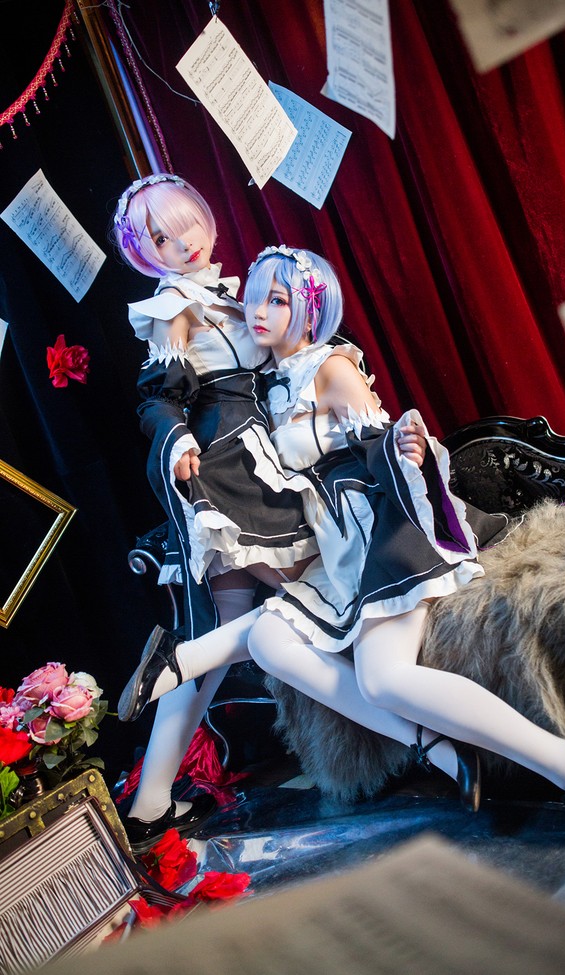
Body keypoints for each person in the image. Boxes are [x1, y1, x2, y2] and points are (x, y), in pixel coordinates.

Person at [118, 245, 565, 871]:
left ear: (311, 310)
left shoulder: (331, 364)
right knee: (269, 640)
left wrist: (403, 444)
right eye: (255, 297)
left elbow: (377, 435)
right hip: (341, 546)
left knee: (382, 678)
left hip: (379, 529)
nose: (258, 311)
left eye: (278, 299)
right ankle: (443, 749)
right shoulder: (267, 387)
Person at [112, 180, 317, 852]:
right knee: (314, 600)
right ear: (144, 253)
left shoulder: (231, 291)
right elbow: (157, 399)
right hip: (231, 468)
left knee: (222, 637)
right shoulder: (174, 307)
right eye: (160, 238)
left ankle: (150, 801)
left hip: (266, 453)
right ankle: (417, 744)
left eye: (186, 225)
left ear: (205, 218)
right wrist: (176, 439)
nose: (181, 243)